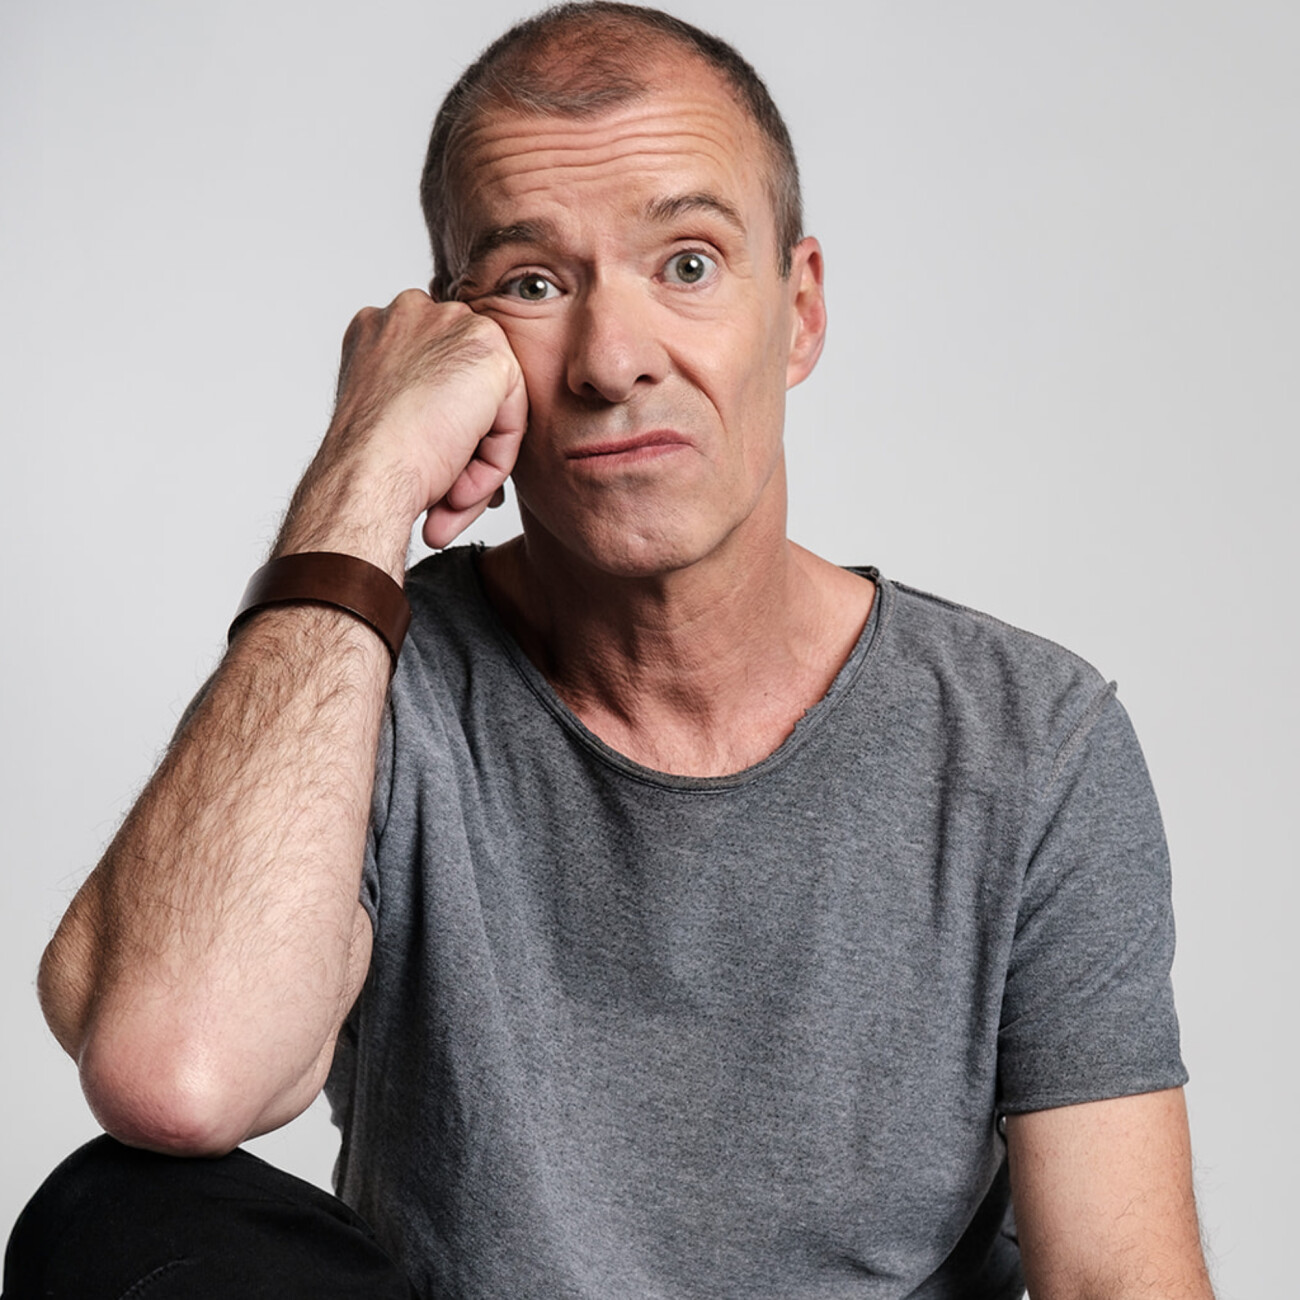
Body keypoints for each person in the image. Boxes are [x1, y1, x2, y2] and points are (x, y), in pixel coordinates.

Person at [5, 4, 1214, 1297]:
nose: (614, 361)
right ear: (455, 342)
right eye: (533, 284)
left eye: (687, 263)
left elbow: (1119, 1279)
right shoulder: (365, 691)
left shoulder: (1030, 741)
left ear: (800, 309)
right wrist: (361, 477)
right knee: (113, 1215)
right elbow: (176, 1072)